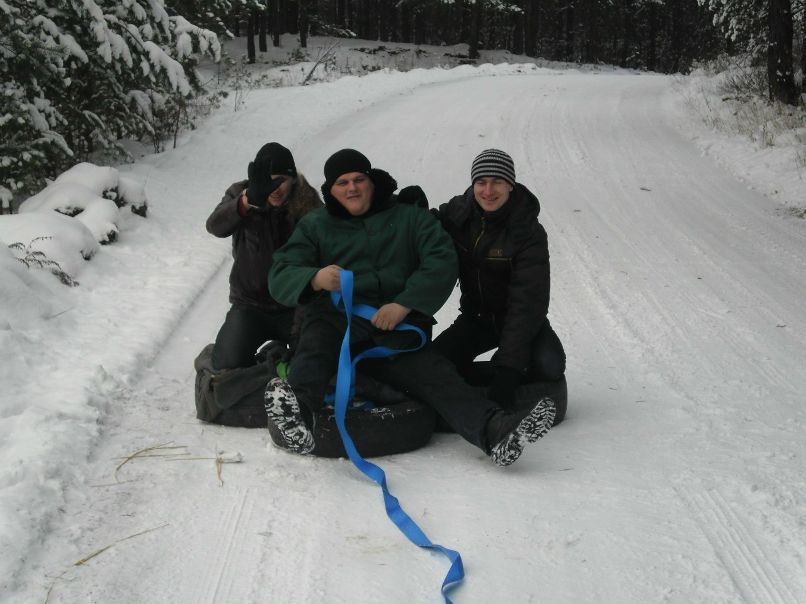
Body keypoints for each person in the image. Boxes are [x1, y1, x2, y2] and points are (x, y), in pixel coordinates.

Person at [263, 148, 555, 466]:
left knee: (434, 372)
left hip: (394, 330)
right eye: (342, 182)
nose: (352, 188)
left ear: (372, 182)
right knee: (314, 346)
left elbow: (441, 259)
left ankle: (494, 431)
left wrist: (405, 303)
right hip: (336, 322)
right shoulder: (315, 225)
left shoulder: (408, 218)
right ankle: (299, 416)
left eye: (359, 179)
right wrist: (315, 278)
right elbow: (281, 271)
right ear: (330, 191)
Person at [433, 149, 566, 409]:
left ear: (510, 185)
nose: (488, 190)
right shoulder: (458, 214)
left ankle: (507, 363)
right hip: (476, 320)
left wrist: (508, 369)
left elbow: (528, 303)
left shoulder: (527, 231)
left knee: (550, 366)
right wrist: (408, 208)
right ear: (473, 185)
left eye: (498, 182)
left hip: (519, 321)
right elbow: (424, 228)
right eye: (481, 182)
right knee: (433, 365)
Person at [206, 142, 322, 370]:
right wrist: (247, 202)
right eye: (269, 180)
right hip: (249, 305)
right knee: (226, 365)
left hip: (296, 307)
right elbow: (215, 226)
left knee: (311, 365)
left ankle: (279, 352)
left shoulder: (310, 205)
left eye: (282, 180)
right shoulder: (240, 194)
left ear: (293, 179)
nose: (275, 188)